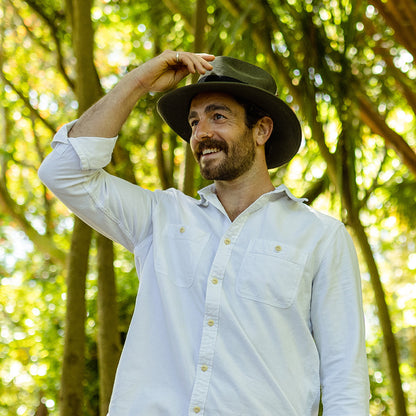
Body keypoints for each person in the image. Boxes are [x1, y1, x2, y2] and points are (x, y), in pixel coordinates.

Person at [38, 50, 370, 415]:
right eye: (194, 121)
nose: (201, 133)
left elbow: (345, 379)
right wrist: (139, 82)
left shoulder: (321, 236)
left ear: (261, 130)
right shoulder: (160, 217)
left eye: (218, 116)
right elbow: (62, 171)